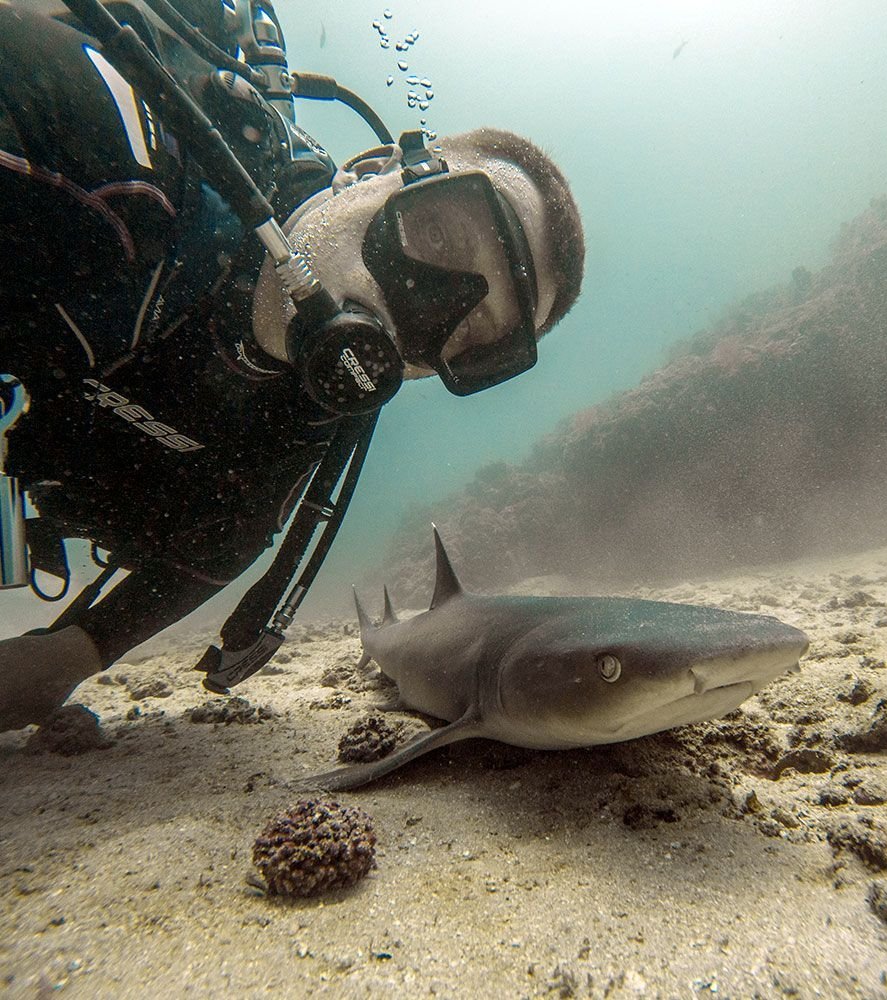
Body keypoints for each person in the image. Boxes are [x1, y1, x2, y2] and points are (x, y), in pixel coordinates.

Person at [0, 0, 584, 730]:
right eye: (437, 233)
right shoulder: (116, 146)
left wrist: (70, 656)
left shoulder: (304, 420)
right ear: (369, 172)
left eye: (466, 334)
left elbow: (223, 542)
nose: (418, 307)